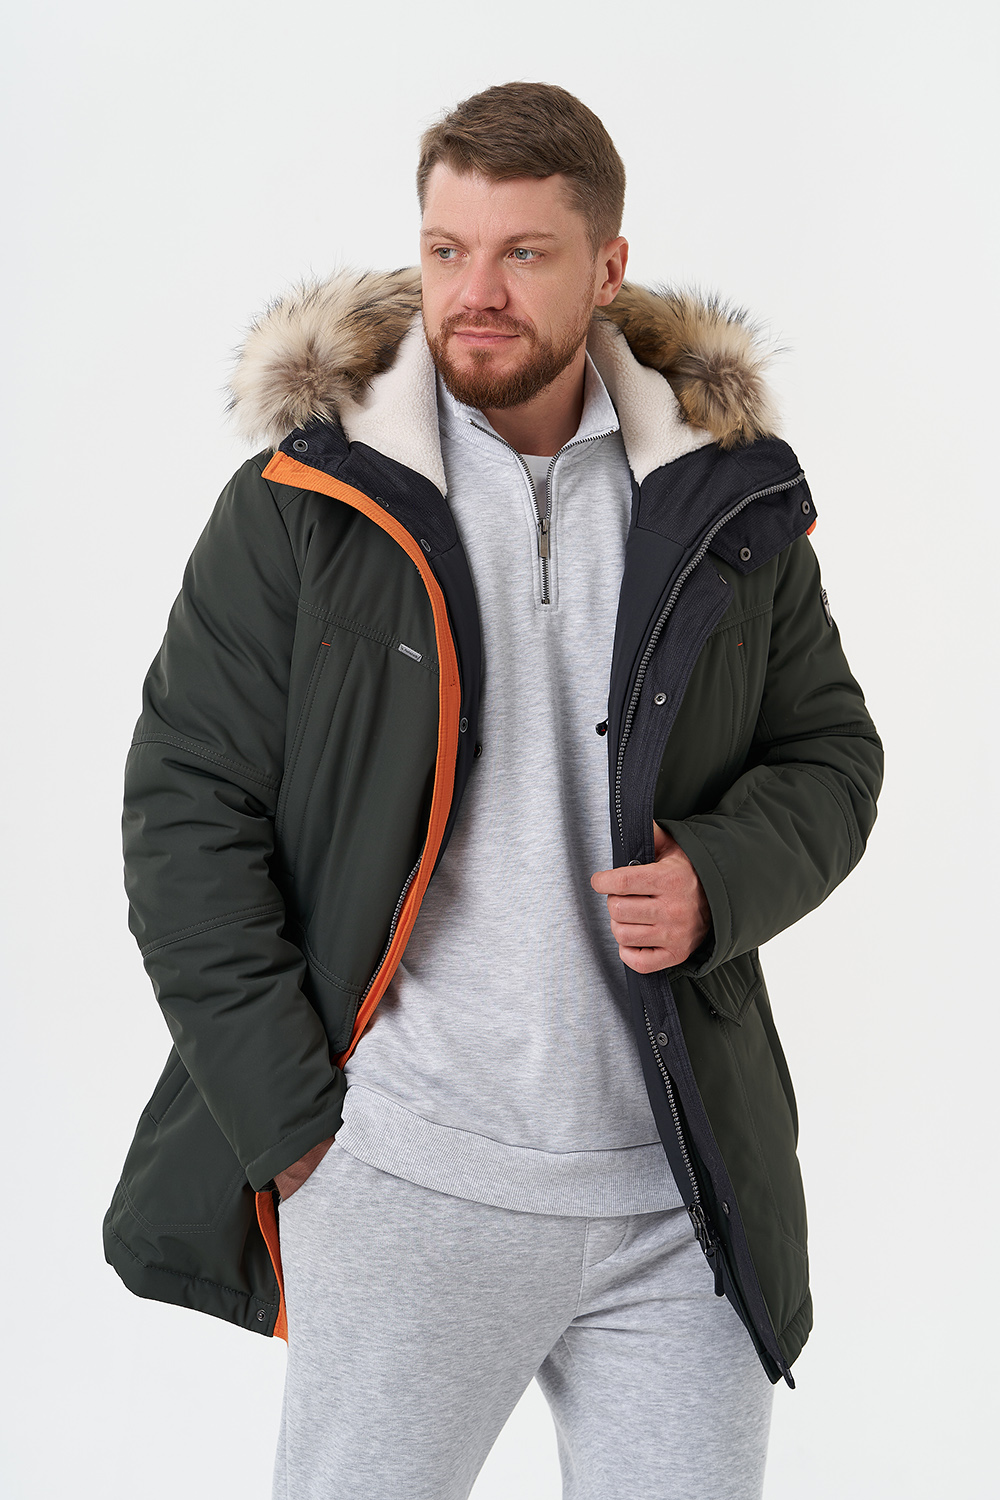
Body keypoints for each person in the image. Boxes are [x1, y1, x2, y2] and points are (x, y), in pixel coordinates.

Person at [104, 81, 883, 1500]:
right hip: (402, 1183)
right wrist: (298, 1137)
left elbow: (833, 755)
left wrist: (720, 879)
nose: (475, 293)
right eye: (447, 248)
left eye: (524, 253)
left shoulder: (724, 499)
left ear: (608, 266)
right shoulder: (310, 500)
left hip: (675, 1195)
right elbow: (184, 811)